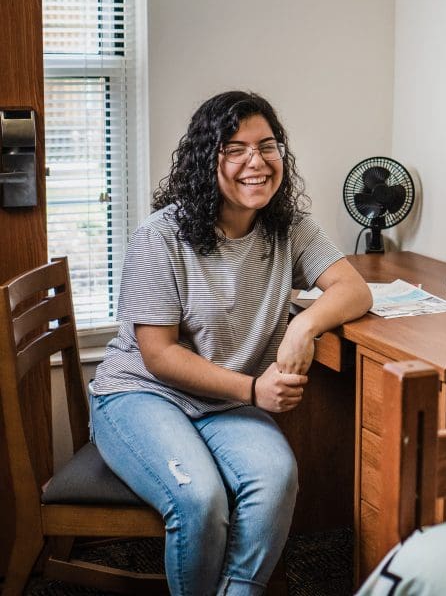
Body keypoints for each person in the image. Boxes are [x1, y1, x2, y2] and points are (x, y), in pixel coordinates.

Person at [89, 90, 372, 595]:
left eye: (267, 146)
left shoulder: (291, 227)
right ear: (206, 158)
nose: (255, 162)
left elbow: (354, 289)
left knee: (276, 478)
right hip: (141, 394)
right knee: (201, 500)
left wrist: (303, 326)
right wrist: (253, 392)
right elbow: (159, 355)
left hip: (224, 401)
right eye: (235, 148)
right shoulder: (160, 236)